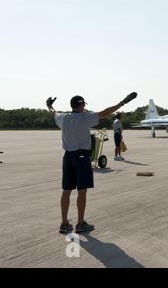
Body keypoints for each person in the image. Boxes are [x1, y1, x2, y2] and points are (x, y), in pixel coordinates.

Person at [46, 92, 137, 234]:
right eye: (83, 105)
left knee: (66, 190)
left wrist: (49, 105)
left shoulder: (62, 117)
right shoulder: (85, 117)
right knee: (82, 191)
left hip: (68, 157)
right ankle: (80, 223)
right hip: (81, 157)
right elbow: (105, 112)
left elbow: (53, 113)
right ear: (81, 105)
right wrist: (122, 102)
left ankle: (64, 223)